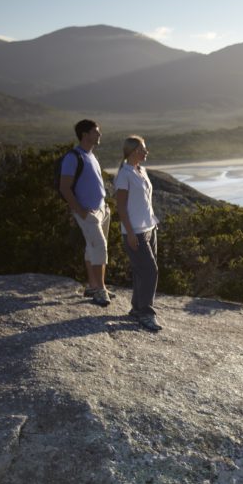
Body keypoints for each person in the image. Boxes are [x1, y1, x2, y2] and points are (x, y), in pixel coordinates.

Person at [60, 119, 111, 307]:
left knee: (93, 247)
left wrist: (105, 208)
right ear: (85, 135)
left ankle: (92, 286)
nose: (99, 135)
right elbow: (64, 188)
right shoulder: (73, 157)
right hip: (87, 212)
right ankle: (100, 289)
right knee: (100, 247)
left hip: (101, 210)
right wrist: (80, 211)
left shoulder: (91, 155)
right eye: (96, 132)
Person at [115, 135, 162, 331]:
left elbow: (144, 203)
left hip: (150, 228)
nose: (146, 152)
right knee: (150, 271)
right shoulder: (124, 175)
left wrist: (152, 224)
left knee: (141, 271)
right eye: (143, 149)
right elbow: (121, 207)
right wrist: (131, 233)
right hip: (135, 232)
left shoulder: (141, 171)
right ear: (134, 151)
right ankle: (146, 313)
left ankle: (136, 308)